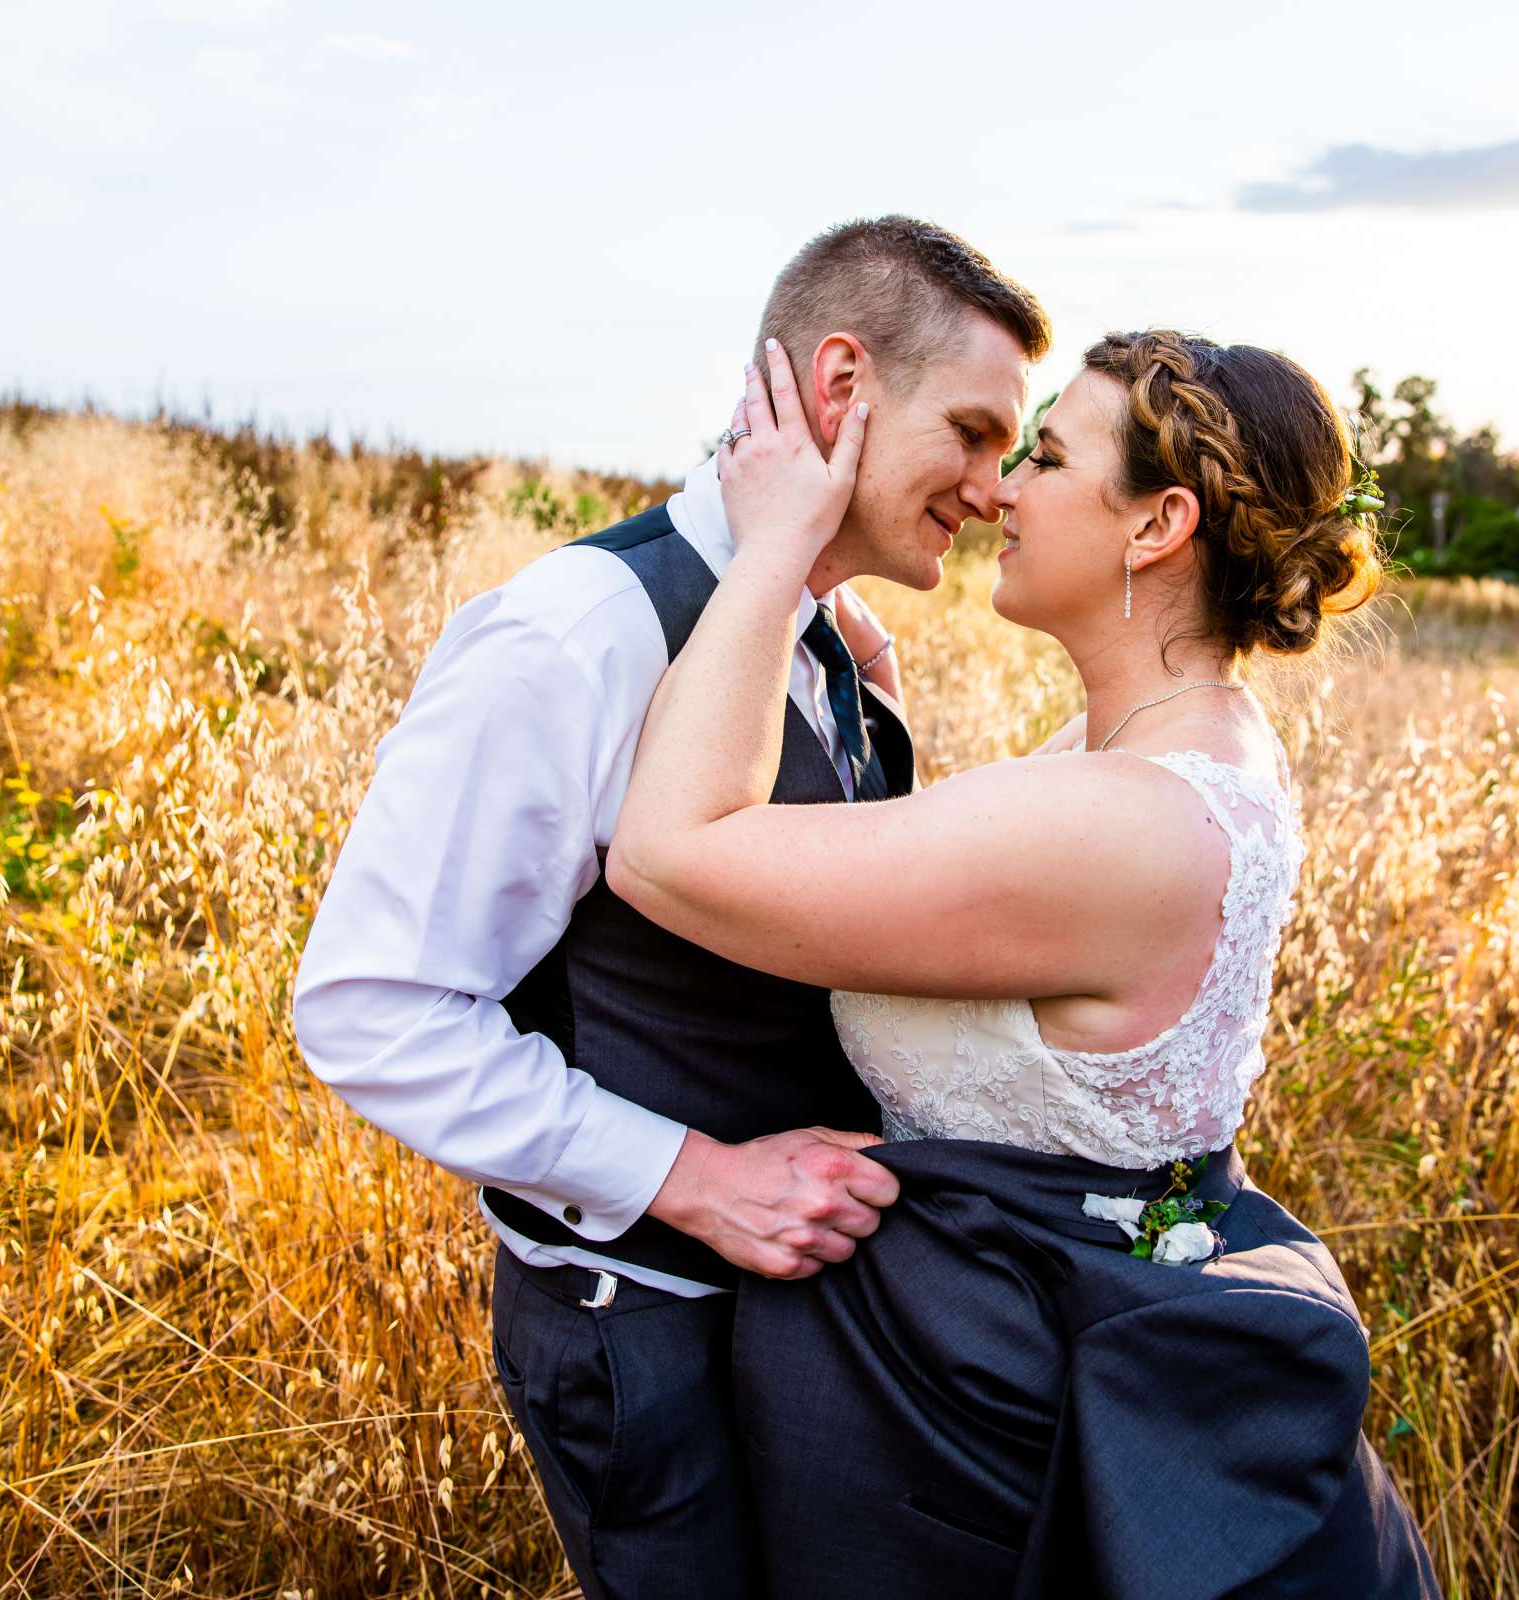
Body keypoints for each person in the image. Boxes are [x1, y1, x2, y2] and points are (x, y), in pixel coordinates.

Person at [603, 331, 1440, 1595]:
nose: (999, 490)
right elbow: (1008, 944)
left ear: (1158, 523)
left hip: (998, 1393)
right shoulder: (1182, 746)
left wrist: (778, 545)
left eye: (1044, 457)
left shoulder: (1127, 820)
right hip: (1016, 1332)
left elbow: (667, 855)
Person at [290, 215, 1050, 1596]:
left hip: (807, 1326)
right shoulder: (582, 633)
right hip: (638, 1334)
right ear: (842, 387)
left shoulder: (828, 636)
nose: (998, 488)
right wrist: (697, 1181)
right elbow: (372, 1010)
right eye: (977, 433)